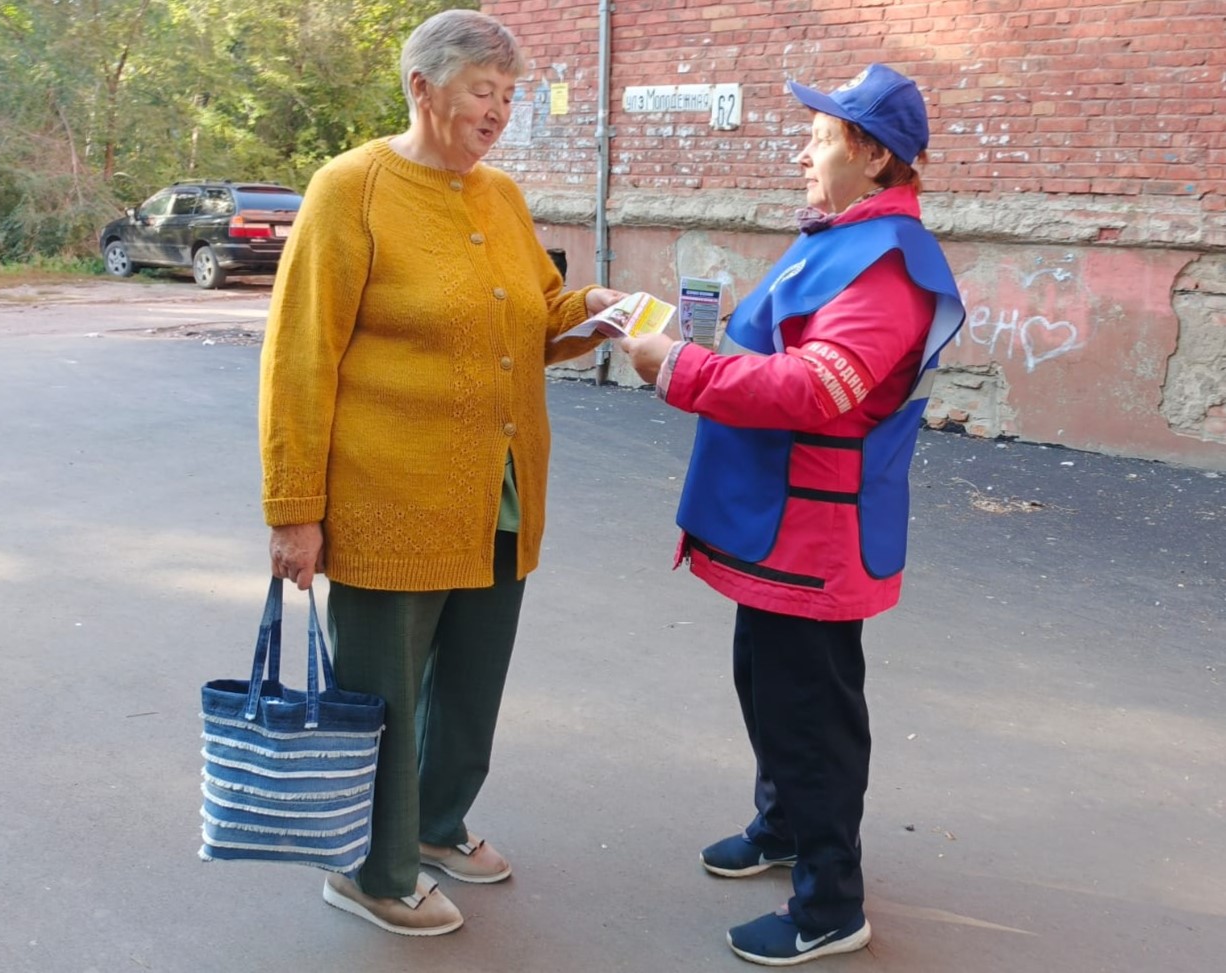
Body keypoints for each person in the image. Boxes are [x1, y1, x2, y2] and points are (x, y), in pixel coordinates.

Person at [258, 9, 622, 938]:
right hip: (391, 495)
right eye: (480, 92)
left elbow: (535, 319)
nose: (497, 111)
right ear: (423, 89)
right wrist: (295, 510)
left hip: (497, 491)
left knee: (471, 678)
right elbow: (300, 357)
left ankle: (438, 823)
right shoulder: (351, 190)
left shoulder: (499, 195)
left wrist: (599, 311)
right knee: (383, 691)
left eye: (508, 96)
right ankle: (373, 870)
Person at [619, 64, 965, 966]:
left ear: (875, 156)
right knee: (770, 691)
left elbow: (817, 390)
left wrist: (677, 368)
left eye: (821, 137)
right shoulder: (847, 238)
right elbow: (801, 348)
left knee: (811, 717)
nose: (805, 150)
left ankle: (830, 902)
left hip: (814, 534)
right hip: (781, 527)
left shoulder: (889, 267)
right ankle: (782, 828)